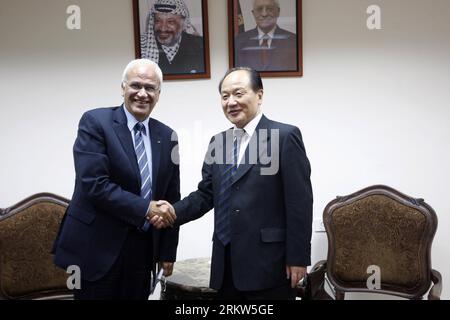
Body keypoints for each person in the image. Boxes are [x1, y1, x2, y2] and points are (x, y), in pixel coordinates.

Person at [154, 67, 313, 300]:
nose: (231, 102)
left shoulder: (284, 136)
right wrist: (172, 211)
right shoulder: (218, 142)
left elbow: (300, 202)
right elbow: (205, 195)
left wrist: (298, 258)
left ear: (259, 95)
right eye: (225, 96)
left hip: (269, 265)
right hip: (225, 265)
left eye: (239, 94)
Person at [52, 59, 180, 300]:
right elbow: (94, 184)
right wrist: (145, 207)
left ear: (159, 94)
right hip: (97, 248)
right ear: (123, 88)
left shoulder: (168, 136)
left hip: (142, 252)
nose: (142, 94)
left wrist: (167, 251)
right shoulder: (96, 122)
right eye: (135, 85)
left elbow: (171, 197)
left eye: (150, 88)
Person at [141, 0, 205, 75]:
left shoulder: (200, 45)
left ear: (183, 23)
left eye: (170, 22)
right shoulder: (143, 47)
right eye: (158, 21)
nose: (163, 28)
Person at [235, 0, 298, 72]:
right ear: (253, 13)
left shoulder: (294, 41)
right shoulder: (238, 42)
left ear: (278, 11)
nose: (264, 14)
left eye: (270, 9)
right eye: (259, 9)